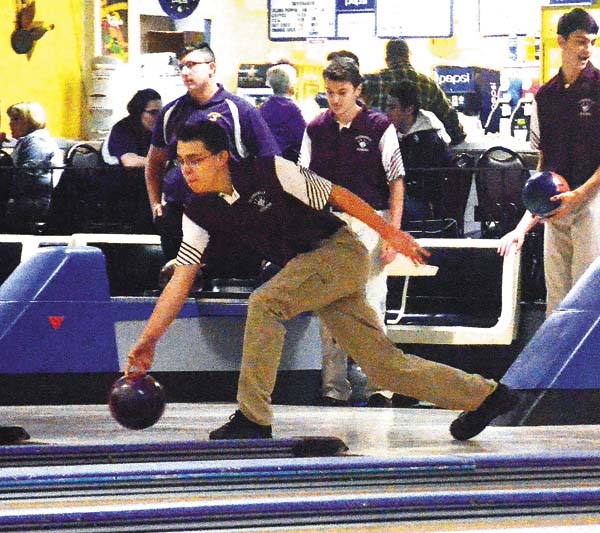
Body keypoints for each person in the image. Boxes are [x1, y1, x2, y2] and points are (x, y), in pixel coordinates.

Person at [124, 119, 518, 442]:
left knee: (266, 302)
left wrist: (390, 233)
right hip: (312, 268)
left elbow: (339, 196)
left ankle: (253, 418)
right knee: (384, 369)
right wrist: (147, 341)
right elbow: (181, 279)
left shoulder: (271, 170)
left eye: (195, 160)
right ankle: (488, 395)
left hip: (338, 252)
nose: (186, 170)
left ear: (222, 157)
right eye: (181, 161)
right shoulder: (197, 211)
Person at [298, 57, 403, 408]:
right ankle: (333, 386)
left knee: (372, 302)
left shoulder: (379, 126)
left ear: (358, 90)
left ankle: (380, 386)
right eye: (330, 92)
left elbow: (396, 182)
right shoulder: (315, 128)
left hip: (372, 220)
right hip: (330, 222)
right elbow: (303, 183)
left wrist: (393, 234)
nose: (335, 99)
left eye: (342, 92)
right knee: (329, 304)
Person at [498, 8, 600, 317]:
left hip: (592, 204)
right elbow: (544, 161)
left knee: (587, 299)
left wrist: (579, 196)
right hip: (555, 208)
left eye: (592, 43)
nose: (587, 50)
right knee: (556, 299)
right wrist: (524, 224)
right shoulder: (545, 96)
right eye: (580, 41)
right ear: (561, 41)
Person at [145, 41, 280, 261]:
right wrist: (155, 204)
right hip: (179, 213)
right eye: (182, 67)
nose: (185, 72)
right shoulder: (170, 112)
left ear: (211, 68)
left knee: (225, 277)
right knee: (176, 276)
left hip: (228, 214)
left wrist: (262, 211)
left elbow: (272, 165)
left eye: (192, 65)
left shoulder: (240, 111)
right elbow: (154, 163)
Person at [362, 39, 467, 147]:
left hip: (381, 146)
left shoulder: (371, 81)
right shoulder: (428, 83)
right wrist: (456, 137)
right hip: (419, 148)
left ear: (387, 59)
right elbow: (448, 115)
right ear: (408, 56)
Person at [385, 80, 454, 221]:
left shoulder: (428, 140)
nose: (387, 113)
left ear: (409, 110)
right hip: (409, 199)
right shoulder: (397, 135)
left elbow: (427, 185)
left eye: (392, 107)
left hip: (425, 207)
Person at [3, 102, 63, 234]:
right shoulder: (29, 140)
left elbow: (28, 176)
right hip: (27, 199)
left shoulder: (36, 142)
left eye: (16, 119)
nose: (10, 124)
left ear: (29, 121)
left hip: (33, 202)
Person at [102, 88, 162, 167]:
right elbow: (130, 162)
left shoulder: (155, 130)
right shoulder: (122, 128)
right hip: (114, 173)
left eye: (161, 112)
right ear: (138, 112)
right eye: (153, 112)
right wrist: (164, 164)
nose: (159, 117)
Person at [259, 63, 306, 162]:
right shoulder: (292, 109)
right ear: (290, 84)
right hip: (286, 162)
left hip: (266, 161)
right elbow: (304, 138)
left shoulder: (264, 107)